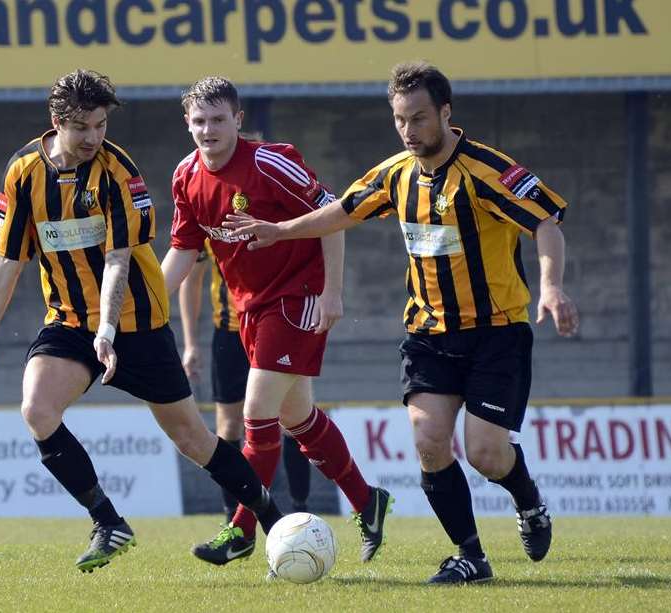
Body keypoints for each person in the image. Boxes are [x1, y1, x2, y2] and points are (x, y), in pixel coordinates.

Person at [224, 61, 580, 584]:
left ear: (445, 113)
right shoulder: (396, 174)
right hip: (428, 334)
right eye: (399, 120)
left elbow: (545, 222)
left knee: (485, 453)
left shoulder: (486, 170)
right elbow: (342, 211)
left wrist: (550, 286)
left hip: (496, 334)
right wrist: (281, 230)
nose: (409, 131)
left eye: (418, 118)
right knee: (430, 441)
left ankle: (528, 501)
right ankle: (470, 556)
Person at [0, 69, 282, 574]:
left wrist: (108, 331)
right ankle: (109, 522)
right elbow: (8, 257)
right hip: (70, 322)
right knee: (37, 410)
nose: (93, 138)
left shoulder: (117, 170)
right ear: (56, 122)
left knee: (194, 440)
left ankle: (275, 523)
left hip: (136, 323)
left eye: (100, 126)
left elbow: (119, 258)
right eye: (82, 127)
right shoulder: (23, 174)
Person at [162, 77, 392, 566]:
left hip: (296, 297)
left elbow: (337, 214)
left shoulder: (269, 163)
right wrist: (142, 308)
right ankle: (367, 501)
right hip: (249, 307)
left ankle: (241, 531)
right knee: (296, 418)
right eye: (199, 121)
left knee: (257, 414)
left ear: (238, 121)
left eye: (219, 119)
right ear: (187, 123)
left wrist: (332, 293)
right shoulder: (185, 175)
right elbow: (183, 252)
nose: (209, 130)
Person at [179, 240, 312, 522]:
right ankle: (233, 518)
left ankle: (301, 511)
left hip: (275, 327)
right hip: (229, 333)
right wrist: (190, 344)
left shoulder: (272, 211)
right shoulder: (208, 220)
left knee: (292, 420)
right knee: (228, 425)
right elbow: (190, 280)